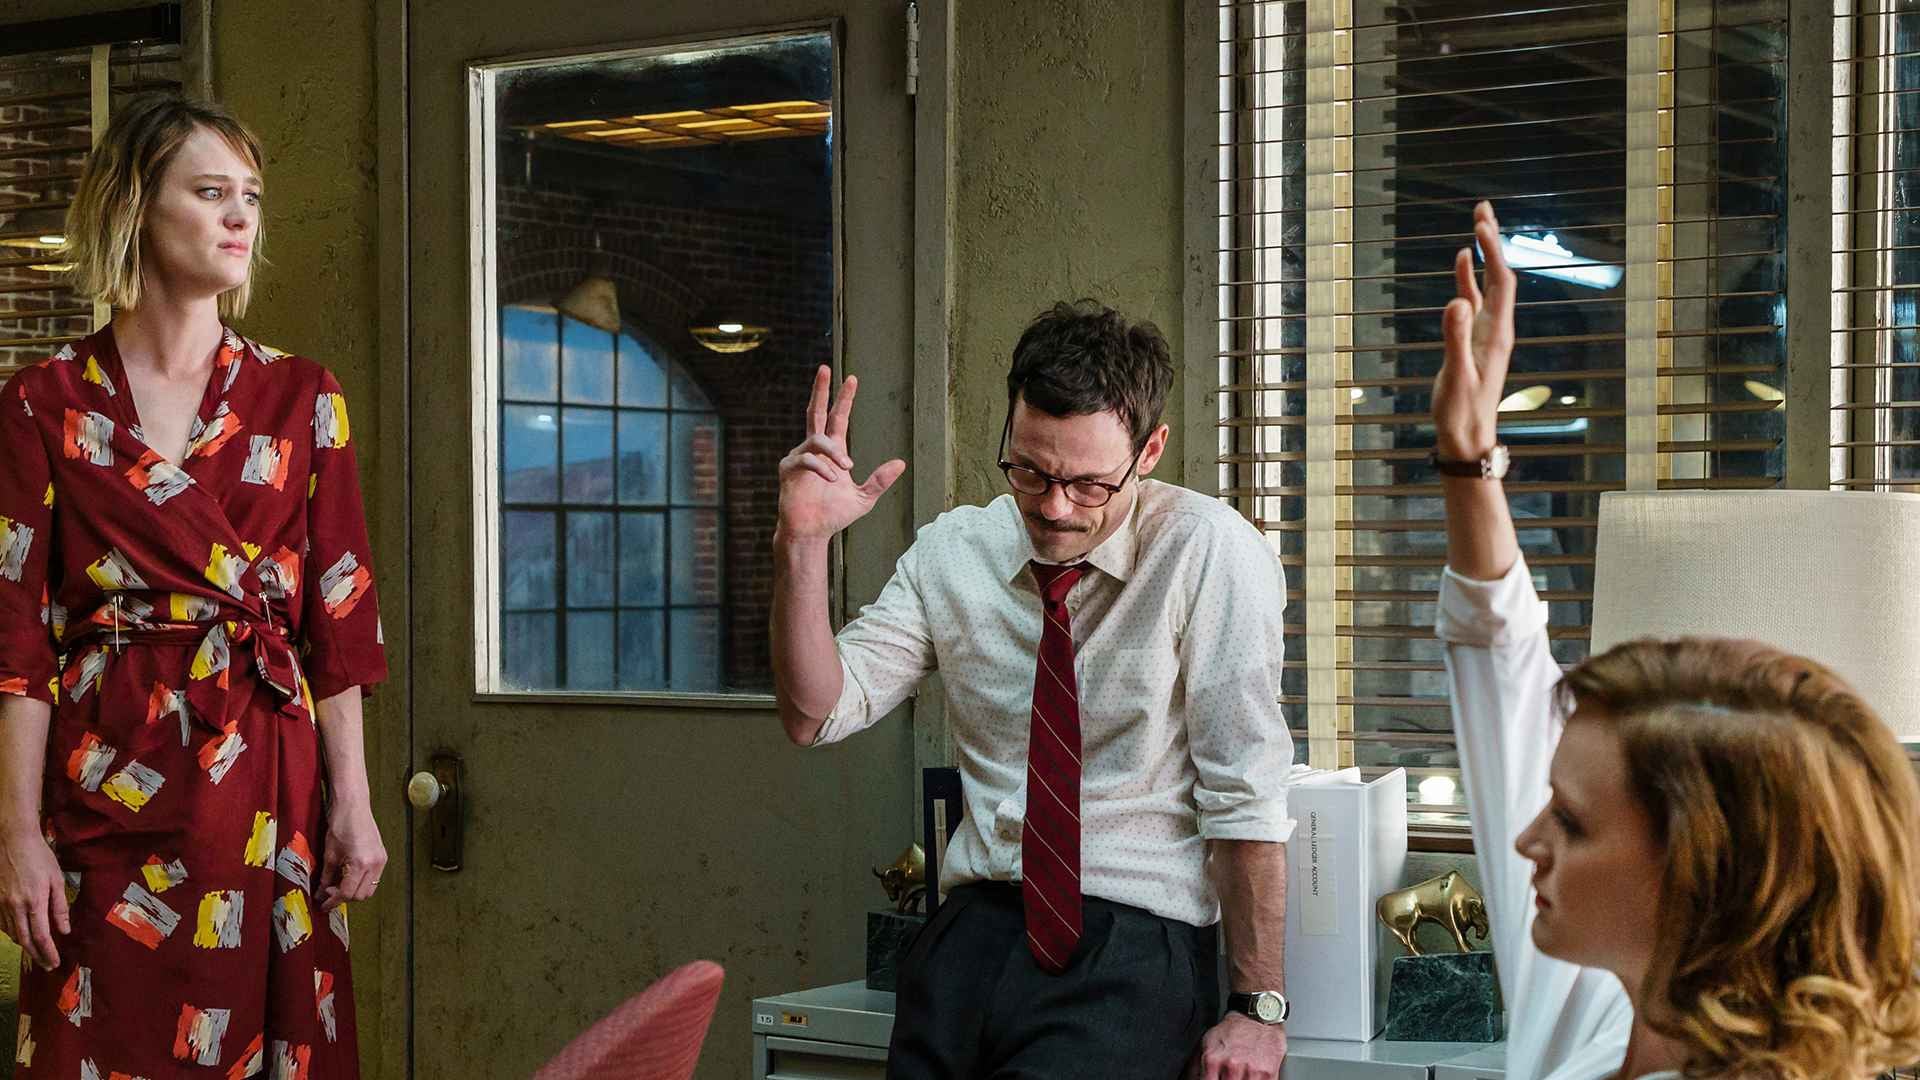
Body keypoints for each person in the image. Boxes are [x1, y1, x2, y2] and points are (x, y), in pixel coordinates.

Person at [1435, 201, 1920, 1080]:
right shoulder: (1600, 996)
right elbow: (1501, 665)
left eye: (1572, 821)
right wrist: (1467, 460)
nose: (1527, 840)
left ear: (1703, 874)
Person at [771, 301, 1297, 1079]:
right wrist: (801, 544)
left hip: (1128, 943)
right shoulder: (955, 550)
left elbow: (1243, 791)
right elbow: (815, 712)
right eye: (1030, 472)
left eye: (1088, 485)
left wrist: (1257, 1006)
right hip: (968, 936)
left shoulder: (1207, 552)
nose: (1054, 507)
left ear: (1149, 451)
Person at [0, 94, 388, 1075]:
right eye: (211, 192)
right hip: (104, 779)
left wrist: (354, 802)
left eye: (250, 196)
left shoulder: (302, 396)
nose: (240, 216)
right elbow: (15, 644)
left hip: (265, 781)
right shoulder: (43, 403)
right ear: (134, 205)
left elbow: (337, 621)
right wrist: (15, 834)